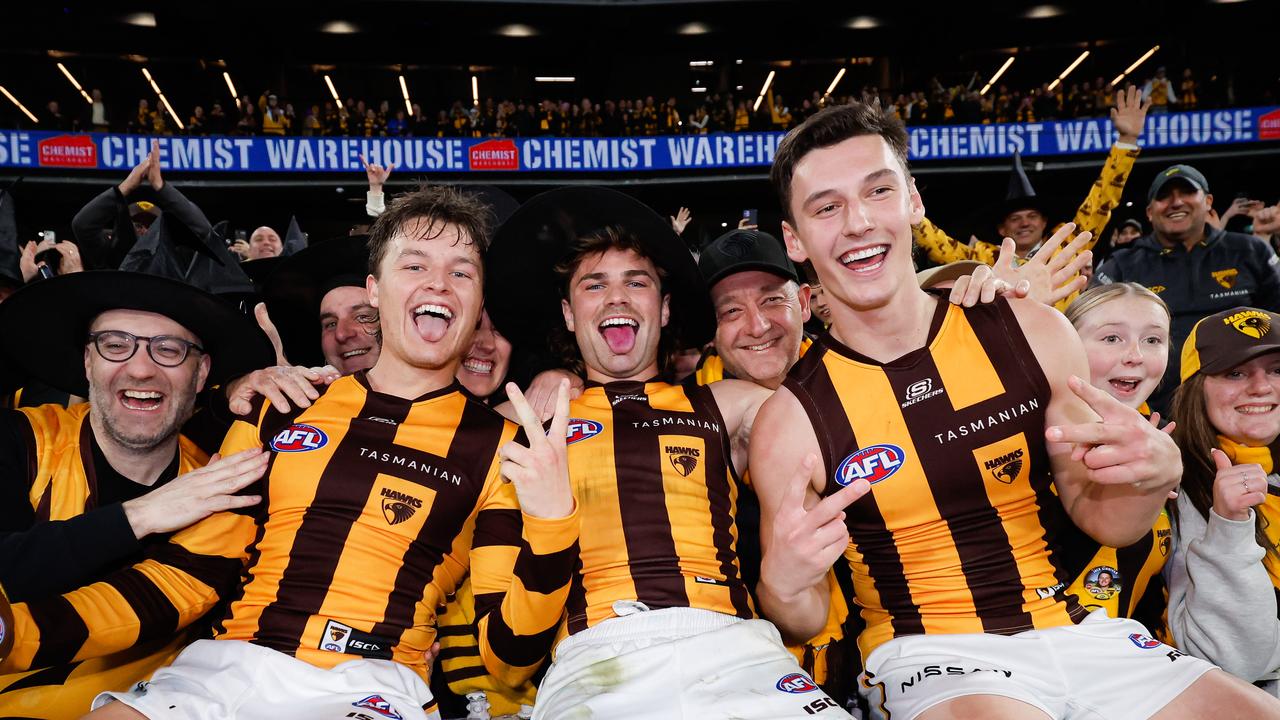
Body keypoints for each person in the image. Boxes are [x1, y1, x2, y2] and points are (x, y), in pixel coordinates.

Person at [752, 102, 1276, 719]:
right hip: (930, 653)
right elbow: (804, 612)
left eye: (878, 191)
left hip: (1080, 632)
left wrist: (1151, 477)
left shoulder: (1030, 330)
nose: (858, 222)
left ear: (913, 202)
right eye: (826, 207)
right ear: (795, 239)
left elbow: (1107, 522)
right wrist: (781, 583)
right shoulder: (790, 419)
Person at [84, 185, 579, 720]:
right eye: (415, 266)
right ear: (374, 290)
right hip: (229, 667)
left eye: (462, 272)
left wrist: (554, 523)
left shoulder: (508, 448)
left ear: (480, 301)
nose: (439, 281)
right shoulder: (284, 402)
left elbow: (510, 659)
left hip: (374, 681)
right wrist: (15, 630)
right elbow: (188, 576)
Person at [485, 186, 851, 718]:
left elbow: (852, 415)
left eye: (637, 282)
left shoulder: (729, 405)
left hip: (733, 644)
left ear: (663, 310)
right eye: (594, 285)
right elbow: (504, 661)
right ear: (568, 314)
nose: (617, 298)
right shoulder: (519, 427)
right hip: (594, 659)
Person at [0, 270, 277, 717]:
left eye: (169, 349)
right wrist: (141, 515)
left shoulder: (224, 479)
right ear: (88, 361)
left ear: (201, 371)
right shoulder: (21, 440)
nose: (141, 367)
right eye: (115, 344)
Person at [911, 87, 1150, 296]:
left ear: (1044, 221)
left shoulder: (1066, 247)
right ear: (1001, 229)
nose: (1024, 223)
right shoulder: (985, 258)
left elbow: (1100, 203)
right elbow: (938, 244)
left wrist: (1126, 141)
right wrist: (908, 206)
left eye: (1032, 216)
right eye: (1015, 218)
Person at [1094, 163, 1280, 414]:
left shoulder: (1251, 251)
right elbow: (1090, 335)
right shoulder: (1122, 264)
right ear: (1150, 212)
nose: (1176, 202)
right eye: (1164, 197)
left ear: (1208, 201)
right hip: (1156, 416)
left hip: (1243, 410)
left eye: (1187, 193)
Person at [1166, 307, 1280, 697]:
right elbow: (1235, 663)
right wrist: (1229, 526)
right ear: (1196, 387)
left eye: (1277, 369)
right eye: (1235, 372)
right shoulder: (1173, 490)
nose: (1262, 387)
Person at [1059, 283, 1175, 627]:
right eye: (1112, 338)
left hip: (1131, 659)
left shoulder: (1169, 440)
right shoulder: (1019, 435)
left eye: (1153, 340)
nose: (1135, 356)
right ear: (1064, 343)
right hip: (1026, 659)